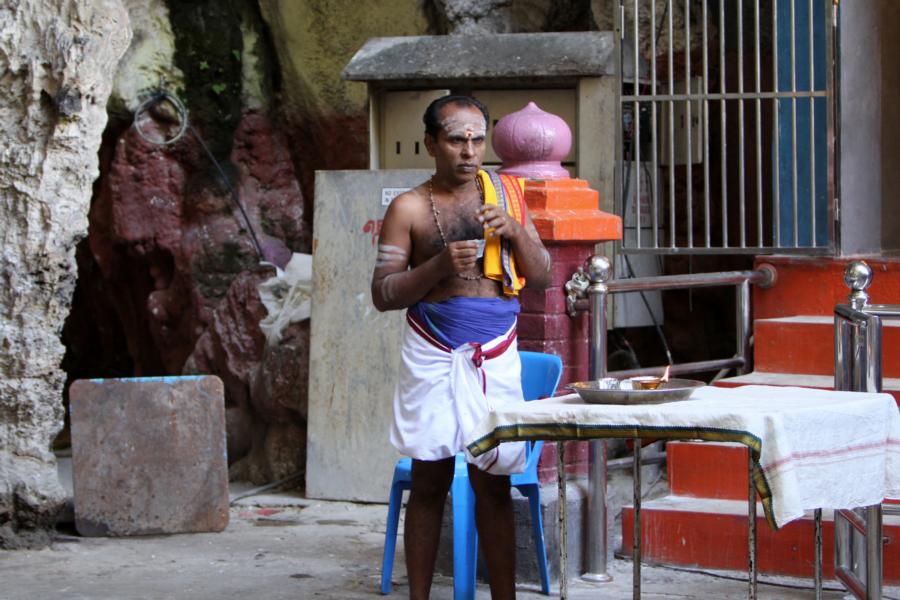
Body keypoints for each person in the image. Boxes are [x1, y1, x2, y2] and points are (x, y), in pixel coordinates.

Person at [371, 94, 552, 600]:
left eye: (476, 139)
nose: (469, 151)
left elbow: (542, 276)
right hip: (431, 350)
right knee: (428, 484)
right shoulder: (408, 207)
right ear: (432, 143)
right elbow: (383, 293)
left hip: (497, 349)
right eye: (456, 139)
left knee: (492, 485)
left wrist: (515, 231)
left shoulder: (506, 198)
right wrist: (438, 267)